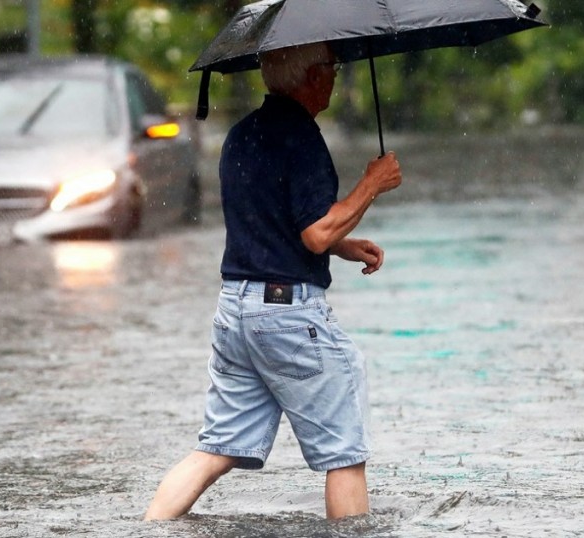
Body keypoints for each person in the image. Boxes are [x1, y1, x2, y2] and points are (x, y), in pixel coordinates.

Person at [144, 41, 402, 521]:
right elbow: (315, 233)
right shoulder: (302, 138)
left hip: (235, 312)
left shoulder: (241, 134)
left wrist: (343, 245)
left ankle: (149, 528)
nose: (335, 74)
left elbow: (268, 223)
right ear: (311, 76)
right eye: (331, 66)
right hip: (287, 315)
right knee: (345, 453)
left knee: (215, 449)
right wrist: (372, 185)